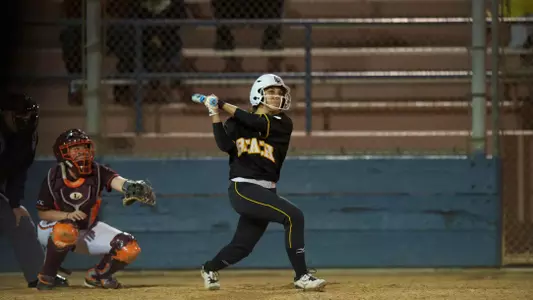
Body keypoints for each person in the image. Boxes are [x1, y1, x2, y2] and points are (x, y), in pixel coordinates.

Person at [191, 74, 327, 291]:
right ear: (258, 94)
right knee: (294, 216)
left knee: (242, 247)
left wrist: (222, 103)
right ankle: (302, 276)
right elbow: (225, 145)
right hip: (243, 188)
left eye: (279, 93)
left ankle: (209, 268)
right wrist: (214, 113)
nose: (276, 97)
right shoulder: (237, 122)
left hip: (267, 190)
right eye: (271, 92)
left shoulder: (283, 122)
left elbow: (254, 121)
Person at [34, 128, 156, 290]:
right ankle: (47, 276)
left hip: (86, 229)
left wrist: (131, 187)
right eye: (75, 149)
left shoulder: (97, 171)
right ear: (63, 153)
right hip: (52, 228)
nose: (82, 153)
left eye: (84, 148)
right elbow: (43, 212)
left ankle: (98, 276)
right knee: (66, 229)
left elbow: (117, 181)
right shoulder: (53, 176)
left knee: (129, 247)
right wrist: (68, 214)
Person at [0, 93, 68, 288]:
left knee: (21, 222)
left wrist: (14, 203)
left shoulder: (27, 137)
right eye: (19, 115)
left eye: (28, 115)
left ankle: (41, 276)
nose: (25, 120)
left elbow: (19, 170)